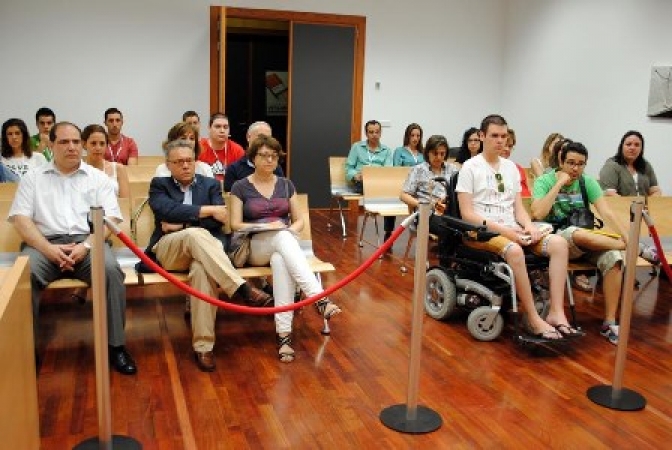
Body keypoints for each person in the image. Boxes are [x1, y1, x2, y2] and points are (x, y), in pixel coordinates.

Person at [8, 121, 137, 374]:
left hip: (88, 242)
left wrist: (86, 246)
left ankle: (116, 346)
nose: (72, 147)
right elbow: (21, 219)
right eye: (64, 142)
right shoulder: (33, 178)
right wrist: (47, 249)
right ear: (51, 144)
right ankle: (25, 351)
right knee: (25, 276)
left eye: (76, 142)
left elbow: (111, 218)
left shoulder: (97, 178)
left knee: (111, 271)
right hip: (43, 245)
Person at [145, 139, 272, 372]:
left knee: (202, 270)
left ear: (196, 161)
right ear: (169, 164)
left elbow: (221, 218)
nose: (185, 165)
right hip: (168, 249)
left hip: (203, 251)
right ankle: (242, 288)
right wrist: (207, 212)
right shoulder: (159, 184)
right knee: (195, 233)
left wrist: (181, 222)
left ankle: (204, 346)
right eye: (179, 162)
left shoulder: (210, 185)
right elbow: (165, 210)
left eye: (189, 160)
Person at [456, 114, 577, 340]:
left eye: (503, 136)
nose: (499, 141)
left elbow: (519, 209)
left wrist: (530, 226)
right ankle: (532, 317)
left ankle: (556, 313)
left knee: (559, 244)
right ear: (482, 136)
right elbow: (468, 214)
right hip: (482, 232)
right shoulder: (469, 168)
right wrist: (509, 233)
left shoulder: (511, 167)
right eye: (494, 136)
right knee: (515, 250)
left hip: (513, 227)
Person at [531, 141, 659, 345]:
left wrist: (627, 235)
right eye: (571, 163)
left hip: (588, 241)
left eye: (580, 164)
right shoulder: (545, 181)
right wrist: (558, 184)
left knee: (614, 258)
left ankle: (609, 322)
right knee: (576, 233)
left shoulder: (587, 182)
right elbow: (537, 213)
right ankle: (639, 249)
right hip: (557, 240)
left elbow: (606, 212)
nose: (575, 169)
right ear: (561, 162)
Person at [230, 135, 341, 363]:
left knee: (281, 261)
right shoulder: (240, 186)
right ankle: (319, 299)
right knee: (281, 236)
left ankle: (284, 338)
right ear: (253, 158)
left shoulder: (286, 184)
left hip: (283, 244)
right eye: (264, 155)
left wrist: (289, 231)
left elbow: (298, 220)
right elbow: (235, 224)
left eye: (274, 156)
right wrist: (269, 226)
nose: (270, 160)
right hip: (254, 247)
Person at [345, 120, 394, 239]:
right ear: (366, 133)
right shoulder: (357, 147)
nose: (374, 135)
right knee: (372, 188)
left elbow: (388, 171)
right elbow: (348, 168)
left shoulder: (386, 150)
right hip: (360, 182)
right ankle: (373, 209)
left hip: (378, 183)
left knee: (394, 195)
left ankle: (389, 230)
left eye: (377, 132)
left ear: (381, 133)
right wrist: (355, 175)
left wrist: (375, 176)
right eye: (371, 132)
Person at [400, 134, 458, 234]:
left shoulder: (453, 169)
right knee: (449, 229)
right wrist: (422, 205)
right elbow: (403, 195)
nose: (439, 157)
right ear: (428, 153)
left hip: (449, 211)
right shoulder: (418, 170)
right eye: (435, 153)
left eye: (442, 154)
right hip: (426, 213)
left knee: (464, 226)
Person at [223, 121, 284, 192]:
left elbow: (282, 193)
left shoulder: (275, 167)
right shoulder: (234, 169)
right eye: (260, 137)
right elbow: (230, 196)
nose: (264, 142)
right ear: (248, 137)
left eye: (268, 138)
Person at [599, 130, 661, 197]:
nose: (632, 148)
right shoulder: (611, 166)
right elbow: (609, 194)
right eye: (628, 144)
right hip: (620, 206)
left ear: (641, 149)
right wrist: (629, 205)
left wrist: (648, 205)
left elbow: (656, 191)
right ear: (621, 147)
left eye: (637, 145)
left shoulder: (646, 165)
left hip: (645, 206)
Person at [82, 124, 130, 198]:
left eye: (102, 144)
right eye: (93, 143)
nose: (98, 148)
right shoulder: (78, 170)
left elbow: (126, 203)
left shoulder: (119, 169)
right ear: (84, 144)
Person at [197, 113, 245, 186]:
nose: (222, 130)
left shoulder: (237, 150)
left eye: (225, 127)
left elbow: (243, 179)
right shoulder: (198, 148)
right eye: (217, 126)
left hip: (230, 192)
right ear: (209, 128)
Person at [500, 128, 531, 197]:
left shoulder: (517, 168)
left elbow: (527, 193)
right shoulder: (489, 168)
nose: (507, 149)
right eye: (504, 145)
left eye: (510, 146)